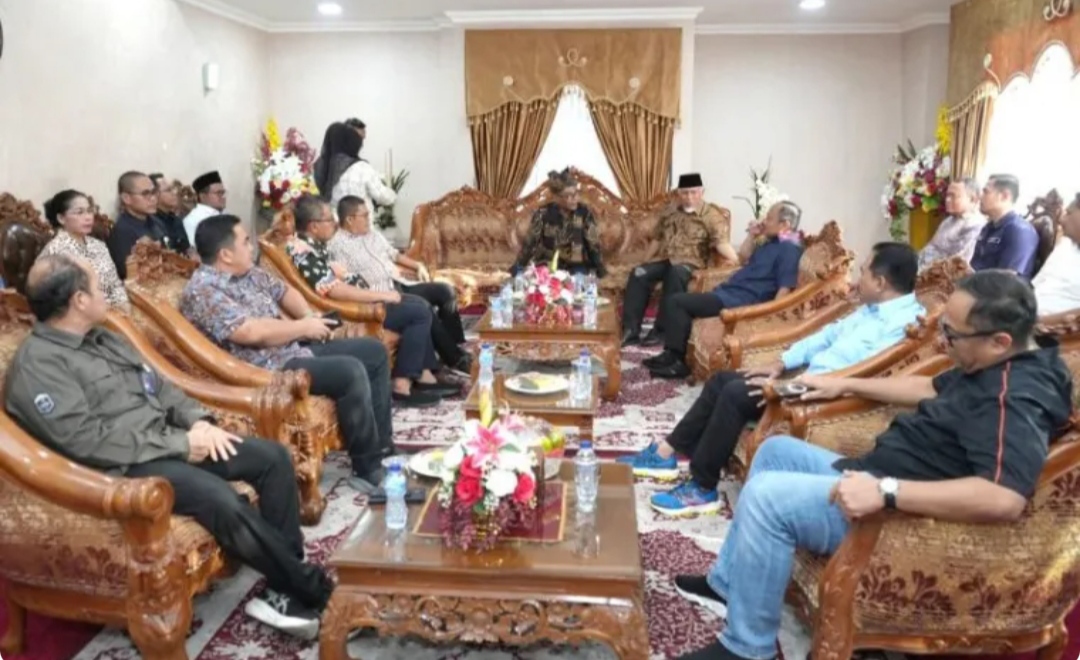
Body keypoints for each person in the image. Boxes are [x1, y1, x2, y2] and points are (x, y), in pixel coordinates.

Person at [672, 270, 1073, 660]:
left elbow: (1003, 498)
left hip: (895, 516)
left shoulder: (1014, 398)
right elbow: (929, 386)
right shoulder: (991, 364)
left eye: (951, 334)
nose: (941, 341)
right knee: (775, 451)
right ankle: (728, 583)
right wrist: (845, 383)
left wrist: (886, 492)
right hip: (876, 473)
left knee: (766, 497)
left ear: (1000, 341)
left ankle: (746, 647)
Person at [5, 254, 334, 639]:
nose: (107, 292)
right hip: (125, 468)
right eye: (97, 286)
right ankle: (315, 589)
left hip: (167, 439)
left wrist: (198, 422)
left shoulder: (103, 336)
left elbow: (160, 386)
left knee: (271, 458)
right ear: (79, 300)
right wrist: (181, 444)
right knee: (221, 500)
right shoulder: (39, 365)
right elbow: (87, 440)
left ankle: (284, 588)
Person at [624, 243, 925, 515]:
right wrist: (781, 363)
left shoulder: (906, 324)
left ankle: (702, 488)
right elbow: (824, 337)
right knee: (722, 380)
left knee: (735, 394)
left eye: (864, 271)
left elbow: (866, 374)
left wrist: (790, 386)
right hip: (807, 380)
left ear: (881, 282)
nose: (857, 279)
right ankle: (666, 452)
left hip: (827, 396)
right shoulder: (870, 310)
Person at [179, 215, 392, 493]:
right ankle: (368, 467)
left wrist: (309, 317)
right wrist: (302, 327)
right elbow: (249, 332)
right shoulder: (203, 290)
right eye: (245, 242)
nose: (252, 247)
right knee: (350, 371)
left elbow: (284, 291)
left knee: (374, 351)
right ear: (226, 255)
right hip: (264, 367)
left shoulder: (248, 272)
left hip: (291, 348)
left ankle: (383, 448)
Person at [287, 195, 457, 406]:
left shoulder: (314, 246)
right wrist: (381, 296)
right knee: (418, 312)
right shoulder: (304, 252)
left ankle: (424, 375)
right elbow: (336, 291)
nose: (335, 223)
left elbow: (335, 278)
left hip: (363, 297)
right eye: (330, 219)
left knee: (418, 304)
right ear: (313, 226)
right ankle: (402, 384)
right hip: (353, 308)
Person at [646, 201, 804, 379]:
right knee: (680, 302)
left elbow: (784, 291)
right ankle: (671, 355)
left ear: (785, 225)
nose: (764, 222)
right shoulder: (771, 241)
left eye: (769, 218)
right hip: (729, 293)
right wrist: (752, 235)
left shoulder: (790, 250)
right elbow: (743, 257)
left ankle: (677, 361)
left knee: (677, 302)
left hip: (741, 301)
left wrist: (767, 318)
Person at [329, 195, 470, 372]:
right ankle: (455, 359)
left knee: (445, 291)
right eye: (364, 215)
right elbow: (346, 280)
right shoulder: (338, 246)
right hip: (382, 296)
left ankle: (455, 346)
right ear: (350, 220)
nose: (369, 219)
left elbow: (393, 254)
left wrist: (417, 266)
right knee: (423, 306)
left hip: (398, 283)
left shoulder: (373, 234)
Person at [622, 173, 738, 347]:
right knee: (639, 273)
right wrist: (645, 261)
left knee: (675, 273)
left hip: (692, 263)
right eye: (685, 193)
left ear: (701, 192)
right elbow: (657, 238)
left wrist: (737, 260)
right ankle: (630, 331)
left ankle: (661, 330)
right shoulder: (670, 212)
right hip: (668, 259)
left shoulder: (711, 216)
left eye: (693, 192)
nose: (689, 197)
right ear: (678, 193)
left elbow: (721, 243)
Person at [40, 189, 129, 309]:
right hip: (80, 315)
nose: (88, 217)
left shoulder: (98, 245)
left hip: (113, 312)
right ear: (61, 218)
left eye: (89, 211)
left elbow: (115, 285)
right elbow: (61, 301)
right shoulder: (55, 252)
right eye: (79, 212)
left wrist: (123, 306)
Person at [511, 168, 606, 277]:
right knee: (542, 280)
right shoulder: (543, 213)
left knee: (578, 280)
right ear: (556, 198)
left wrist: (600, 270)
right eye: (568, 195)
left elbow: (593, 244)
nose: (574, 199)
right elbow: (530, 243)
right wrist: (518, 267)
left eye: (576, 194)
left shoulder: (584, 213)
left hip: (576, 266)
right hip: (548, 264)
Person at [313, 122, 395, 215]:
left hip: (332, 220)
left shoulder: (319, 167)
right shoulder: (361, 167)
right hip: (359, 220)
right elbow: (382, 196)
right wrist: (392, 194)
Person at [970, 174, 1039, 279]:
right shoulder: (988, 227)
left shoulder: (1019, 230)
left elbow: (1006, 278)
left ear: (1004, 196)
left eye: (986, 192)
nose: (980, 197)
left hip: (997, 288)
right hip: (974, 284)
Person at [106, 171, 171, 280]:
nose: (153, 198)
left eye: (154, 192)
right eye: (145, 194)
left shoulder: (156, 222)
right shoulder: (122, 231)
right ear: (126, 198)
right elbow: (128, 273)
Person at [917, 178, 985, 271]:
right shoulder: (948, 220)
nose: (947, 200)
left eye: (953, 196)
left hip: (945, 275)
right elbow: (931, 247)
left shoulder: (975, 225)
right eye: (947, 195)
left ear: (972, 199)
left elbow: (957, 262)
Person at [1032, 192, 1080, 316]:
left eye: (1069, 213)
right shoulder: (1065, 246)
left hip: (1045, 324)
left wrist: (1033, 322)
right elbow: (1035, 285)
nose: (1061, 220)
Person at [149, 173, 192, 256]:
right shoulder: (151, 222)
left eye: (173, 189)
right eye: (168, 190)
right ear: (155, 195)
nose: (174, 193)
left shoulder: (175, 219)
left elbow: (186, 248)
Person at [182, 171, 227, 248]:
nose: (223, 197)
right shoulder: (193, 220)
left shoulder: (224, 215)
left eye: (223, 193)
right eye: (218, 193)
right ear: (203, 196)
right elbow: (194, 249)